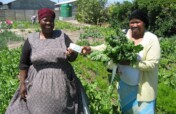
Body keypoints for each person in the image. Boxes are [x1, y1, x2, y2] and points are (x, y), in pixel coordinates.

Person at [5, 8, 89, 114]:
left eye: (51, 20)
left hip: (62, 86)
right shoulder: (31, 39)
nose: (48, 23)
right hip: (37, 86)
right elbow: (23, 64)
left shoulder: (62, 36)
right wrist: (22, 85)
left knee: (63, 109)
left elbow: (73, 55)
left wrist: (72, 53)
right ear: (39, 21)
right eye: (45, 20)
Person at [82, 9, 161, 114]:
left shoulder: (151, 39)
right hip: (124, 87)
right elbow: (107, 47)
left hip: (143, 91)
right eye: (132, 22)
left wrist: (130, 62)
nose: (134, 25)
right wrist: (91, 48)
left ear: (144, 23)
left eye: (137, 22)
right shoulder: (123, 35)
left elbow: (152, 64)